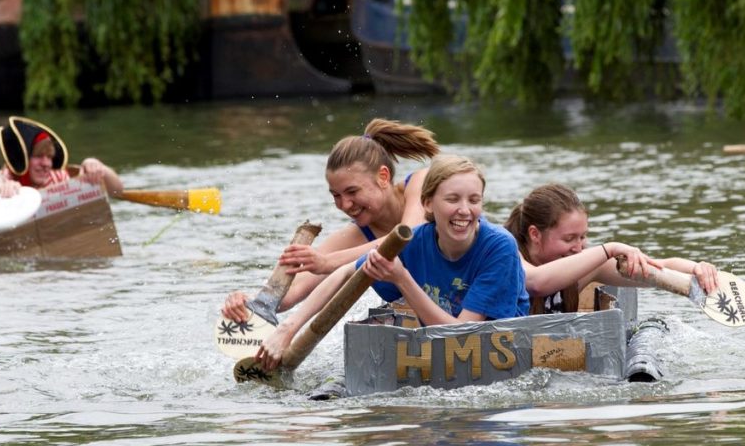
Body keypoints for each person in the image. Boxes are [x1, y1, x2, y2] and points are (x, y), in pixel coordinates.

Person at [256, 154, 529, 370]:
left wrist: (402, 278)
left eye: (474, 200)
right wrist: (287, 329)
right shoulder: (415, 241)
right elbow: (343, 274)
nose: (465, 210)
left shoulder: (499, 246)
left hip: (497, 353)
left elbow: (463, 336)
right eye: (452, 199)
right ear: (428, 204)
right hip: (445, 348)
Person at [222, 118, 439, 323]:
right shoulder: (353, 237)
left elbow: (410, 234)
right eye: (336, 195)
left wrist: (328, 263)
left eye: (352, 191)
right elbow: (290, 293)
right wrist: (246, 303)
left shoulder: (423, 182)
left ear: (383, 177)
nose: (345, 205)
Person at [504, 183, 720, 314]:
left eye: (583, 237)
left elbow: (658, 267)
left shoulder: (584, 267)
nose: (578, 248)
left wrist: (697, 270)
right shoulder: (505, 255)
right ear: (535, 234)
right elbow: (536, 283)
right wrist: (610, 249)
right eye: (569, 239)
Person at [0, 116, 123, 200]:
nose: (46, 164)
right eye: (38, 156)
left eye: (49, 157)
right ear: (22, 158)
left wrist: (97, 166)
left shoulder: (58, 176)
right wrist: (2, 188)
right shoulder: (7, 177)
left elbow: (117, 191)